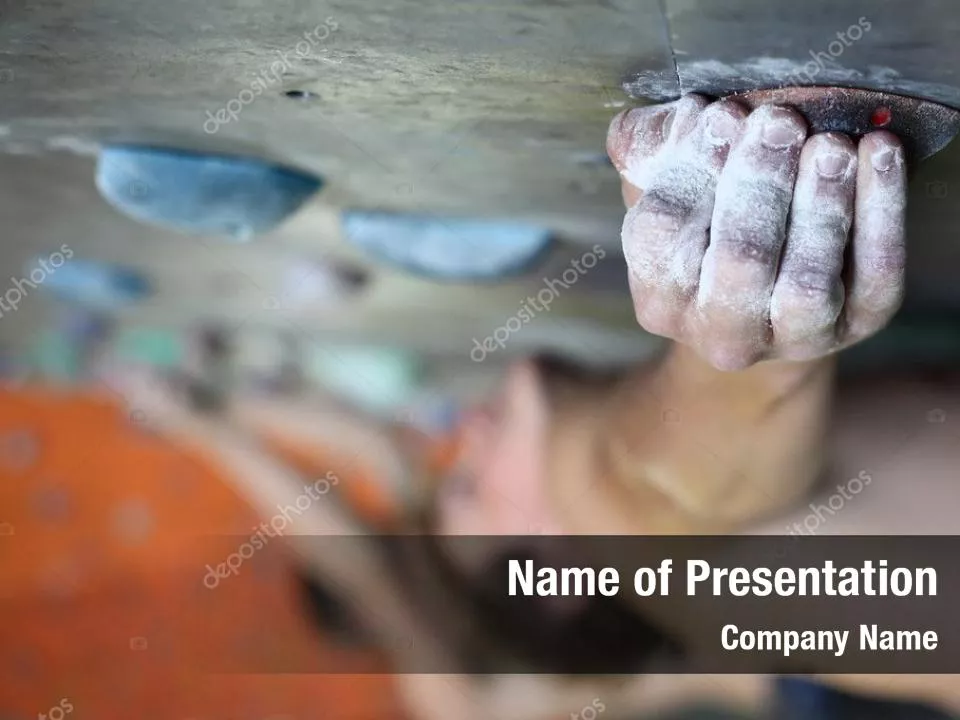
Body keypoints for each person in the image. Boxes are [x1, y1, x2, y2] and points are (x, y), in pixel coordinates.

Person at [108, 94, 960, 718]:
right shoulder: (650, 551)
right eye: (473, 489)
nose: (462, 442)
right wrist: (740, 332)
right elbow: (660, 493)